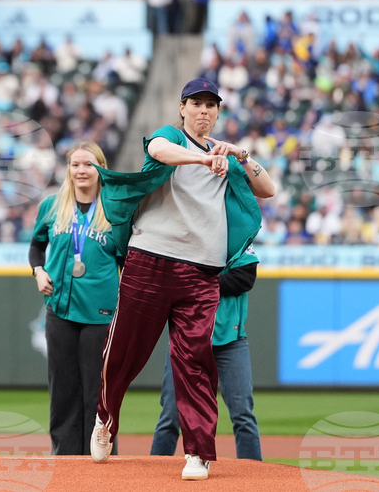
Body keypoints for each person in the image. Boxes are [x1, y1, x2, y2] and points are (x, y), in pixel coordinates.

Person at [88, 78, 274, 481]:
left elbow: (268, 189)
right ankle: (105, 417)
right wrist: (203, 161)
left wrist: (239, 154)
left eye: (211, 105)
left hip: (201, 271)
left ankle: (197, 453)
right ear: (182, 108)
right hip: (150, 259)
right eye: (196, 103)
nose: (203, 110)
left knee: (195, 361)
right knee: (123, 352)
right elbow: (158, 150)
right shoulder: (172, 137)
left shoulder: (225, 155)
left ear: (218, 112)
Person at [30, 142, 122, 455]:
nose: (81, 170)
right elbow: (36, 247)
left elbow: (127, 261)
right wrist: (38, 271)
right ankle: (65, 461)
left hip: (100, 313)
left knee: (97, 392)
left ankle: (100, 456)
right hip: (59, 309)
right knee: (62, 390)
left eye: (88, 164)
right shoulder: (52, 206)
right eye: (75, 164)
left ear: (101, 168)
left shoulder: (114, 209)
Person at [150, 259, 262, 460]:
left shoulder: (237, 243)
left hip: (230, 340)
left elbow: (244, 279)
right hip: (186, 339)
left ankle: (255, 472)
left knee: (243, 415)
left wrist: (199, 281)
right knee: (170, 415)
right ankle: (155, 471)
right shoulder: (185, 242)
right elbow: (172, 281)